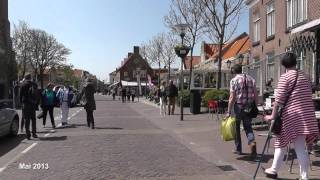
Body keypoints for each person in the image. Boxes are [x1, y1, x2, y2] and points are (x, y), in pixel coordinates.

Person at [263, 52, 319, 179]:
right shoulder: (305, 76)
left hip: (292, 116)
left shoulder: (285, 77)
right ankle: (304, 176)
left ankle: (274, 170)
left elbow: (279, 99)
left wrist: (272, 116)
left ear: (283, 65)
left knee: (281, 141)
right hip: (306, 116)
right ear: (295, 62)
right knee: (300, 146)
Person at [226, 64, 258, 157]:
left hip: (238, 107)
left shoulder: (234, 80)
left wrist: (228, 111)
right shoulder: (251, 79)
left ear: (234, 71)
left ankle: (238, 149)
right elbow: (256, 94)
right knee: (248, 127)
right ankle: (252, 142)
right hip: (249, 107)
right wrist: (256, 105)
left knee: (236, 129)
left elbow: (232, 97)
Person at [19, 74, 39, 140]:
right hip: (32, 104)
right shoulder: (34, 84)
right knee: (33, 119)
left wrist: (20, 103)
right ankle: (34, 133)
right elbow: (37, 94)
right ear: (30, 78)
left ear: (25, 78)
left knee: (26, 120)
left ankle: (28, 135)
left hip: (25, 104)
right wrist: (36, 103)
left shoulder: (23, 85)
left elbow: (20, 95)